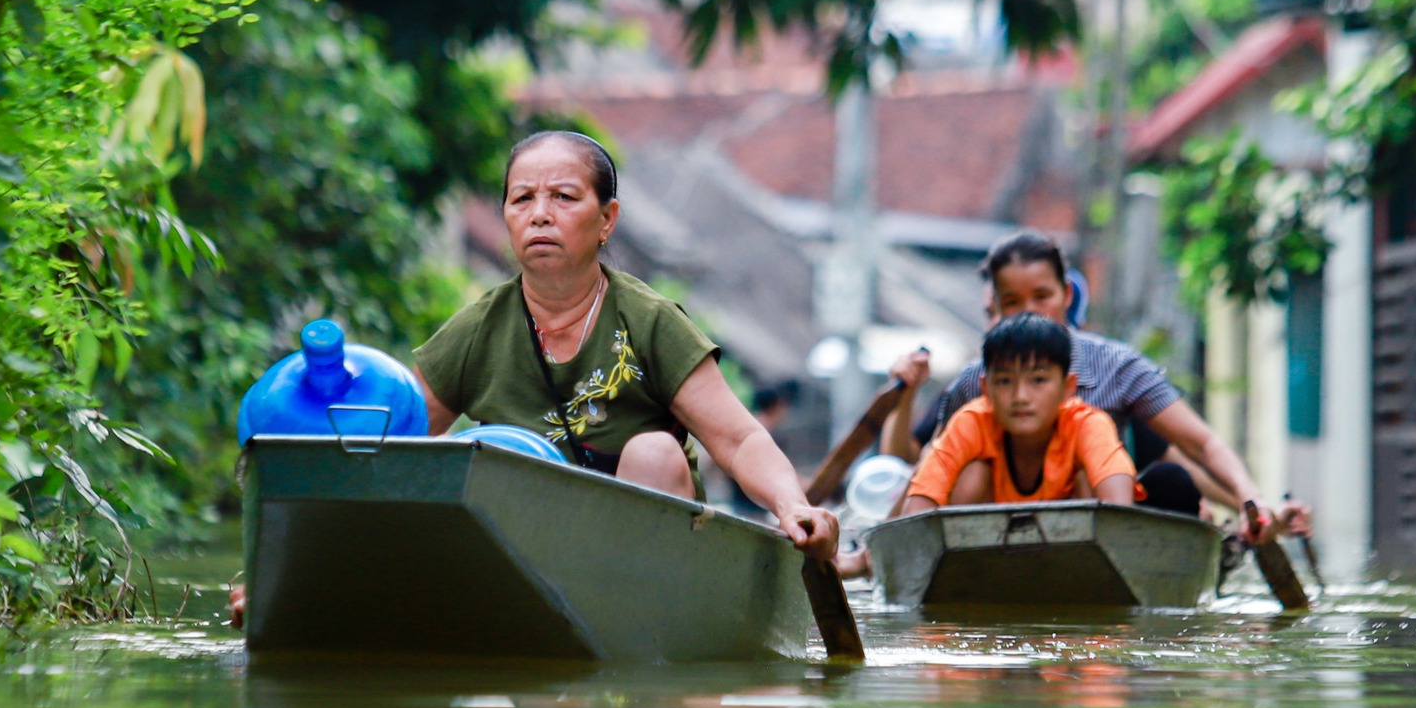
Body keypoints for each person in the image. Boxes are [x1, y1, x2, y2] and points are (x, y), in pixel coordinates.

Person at [412, 130, 839, 562]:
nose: (539, 214)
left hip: (640, 567)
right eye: (522, 199)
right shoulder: (476, 329)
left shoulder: (649, 321)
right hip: (520, 562)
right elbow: (393, 443)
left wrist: (792, 505)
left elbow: (739, 439)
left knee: (651, 453)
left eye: (563, 197)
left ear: (607, 219)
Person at [889, 231, 1306, 543]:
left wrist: (1251, 500)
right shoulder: (974, 381)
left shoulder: (1115, 369)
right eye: (1012, 303)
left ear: (1066, 295)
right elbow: (929, 466)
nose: (1030, 313)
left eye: (1041, 297)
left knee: (1169, 479)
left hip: (1091, 525)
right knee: (970, 471)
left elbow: (1198, 445)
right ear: (994, 306)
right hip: (994, 527)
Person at [895, 314, 1142, 516]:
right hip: (985, 556)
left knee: (1089, 481)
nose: (1020, 396)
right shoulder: (972, 421)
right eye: (1004, 381)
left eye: (1038, 380)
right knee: (971, 475)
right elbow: (919, 506)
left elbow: (1119, 509)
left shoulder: (1088, 423)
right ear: (985, 390)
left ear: (1068, 387)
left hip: (1069, 558)